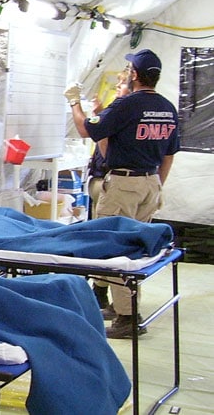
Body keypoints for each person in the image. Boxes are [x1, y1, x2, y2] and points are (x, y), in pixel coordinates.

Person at [64, 48, 180, 339]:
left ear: (137, 76)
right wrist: (154, 184)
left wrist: (74, 102)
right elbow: (169, 154)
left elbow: (84, 130)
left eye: (129, 70)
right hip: (151, 183)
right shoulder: (167, 108)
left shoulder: (127, 105)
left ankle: (129, 318)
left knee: (115, 249)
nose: (125, 75)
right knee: (136, 248)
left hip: (125, 185)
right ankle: (117, 304)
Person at [87, 70, 132, 315]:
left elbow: (104, 146)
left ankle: (124, 311)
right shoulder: (131, 111)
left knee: (113, 246)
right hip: (112, 182)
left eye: (121, 85)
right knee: (107, 244)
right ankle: (103, 293)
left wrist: (78, 108)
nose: (118, 87)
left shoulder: (125, 111)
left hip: (112, 183)